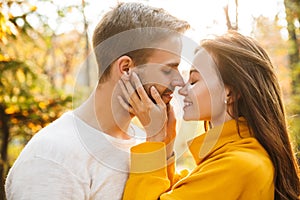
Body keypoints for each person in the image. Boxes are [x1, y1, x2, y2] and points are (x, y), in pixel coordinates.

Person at [5, 2, 190, 199]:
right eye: (168, 69)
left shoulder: (142, 147)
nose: (179, 81)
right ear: (126, 69)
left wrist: (164, 147)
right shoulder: (52, 158)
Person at [119, 31, 300, 200]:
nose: (182, 89)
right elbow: (178, 193)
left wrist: (153, 138)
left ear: (230, 93)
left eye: (194, 80)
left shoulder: (237, 165)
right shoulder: (237, 155)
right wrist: (166, 144)